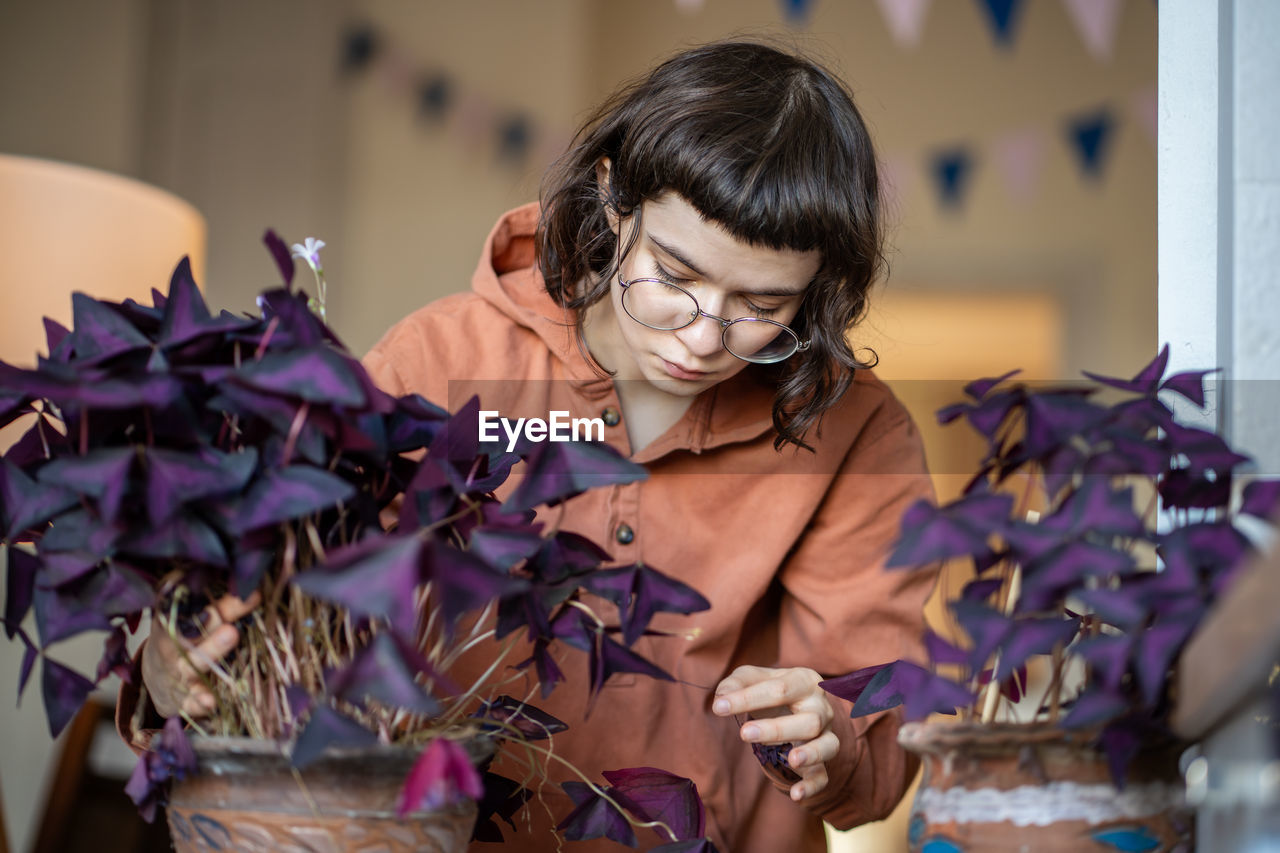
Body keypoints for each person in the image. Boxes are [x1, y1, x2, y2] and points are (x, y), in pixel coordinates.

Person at [132, 40, 937, 852]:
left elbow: (876, 766)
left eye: (761, 305)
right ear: (612, 192)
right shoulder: (441, 364)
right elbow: (283, 620)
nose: (700, 338)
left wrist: (829, 731)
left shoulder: (858, 431)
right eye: (674, 274)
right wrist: (174, 672)